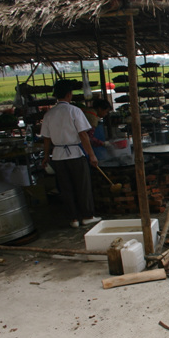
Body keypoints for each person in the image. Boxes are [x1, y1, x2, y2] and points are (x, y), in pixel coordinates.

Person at [41, 79, 101, 229]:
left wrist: (46, 156)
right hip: (75, 154)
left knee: (65, 188)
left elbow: (46, 139)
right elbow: (83, 135)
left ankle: (73, 218)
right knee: (82, 186)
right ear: (69, 94)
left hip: (58, 156)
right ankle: (87, 216)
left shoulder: (49, 114)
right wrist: (92, 155)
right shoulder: (74, 111)